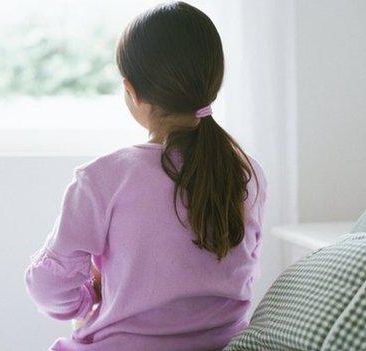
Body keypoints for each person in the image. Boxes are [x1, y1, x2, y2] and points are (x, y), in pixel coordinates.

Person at [25, 2, 267, 350]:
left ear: (132, 90)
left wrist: (86, 299)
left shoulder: (104, 178)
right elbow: (239, 271)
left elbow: (49, 288)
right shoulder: (247, 174)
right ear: (211, 83)